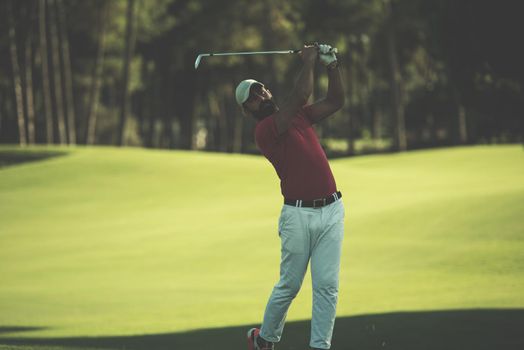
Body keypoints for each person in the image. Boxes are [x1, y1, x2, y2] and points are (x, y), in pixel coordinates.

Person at [235, 43, 346, 350]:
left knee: (327, 287)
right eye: (252, 99)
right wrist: (309, 60)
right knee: (290, 285)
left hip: (332, 210)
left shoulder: (298, 117)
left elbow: (336, 101)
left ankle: (320, 347)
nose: (259, 97)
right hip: (297, 216)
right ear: (248, 111)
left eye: (260, 91)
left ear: (267, 91)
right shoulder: (266, 130)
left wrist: (332, 66)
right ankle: (265, 340)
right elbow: (300, 94)